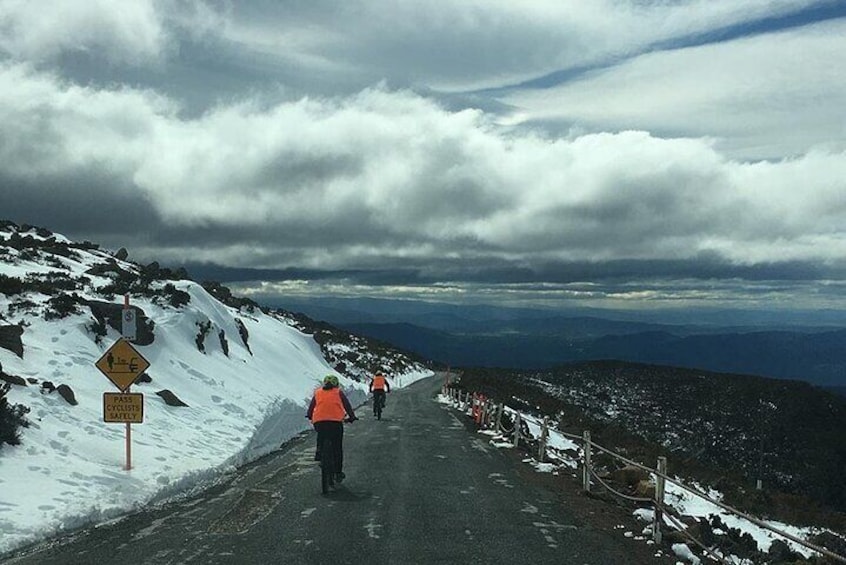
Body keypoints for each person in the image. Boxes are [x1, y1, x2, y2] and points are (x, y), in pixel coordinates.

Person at [306, 374, 356, 483]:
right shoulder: (338, 392)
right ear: (336, 384)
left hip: (319, 422)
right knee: (337, 447)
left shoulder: (318, 392)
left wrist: (309, 415)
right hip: (335, 423)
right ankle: (338, 472)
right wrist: (352, 417)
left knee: (321, 435)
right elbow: (347, 406)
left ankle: (319, 452)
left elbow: (311, 407)